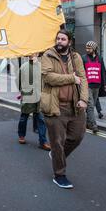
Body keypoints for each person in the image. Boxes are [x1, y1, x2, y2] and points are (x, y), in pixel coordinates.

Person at [41, 30, 89, 189]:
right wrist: (70, 78)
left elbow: (82, 79)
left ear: (69, 42)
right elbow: (48, 77)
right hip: (55, 107)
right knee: (57, 143)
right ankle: (59, 175)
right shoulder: (48, 55)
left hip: (74, 106)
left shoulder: (76, 57)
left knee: (77, 137)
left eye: (63, 39)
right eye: (58, 38)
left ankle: (56, 155)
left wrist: (83, 99)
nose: (59, 41)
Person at [17, 54, 50, 151]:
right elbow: (18, 81)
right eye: (30, 53)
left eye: (34, 53)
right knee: (24, 117)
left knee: (41, 119)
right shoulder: (23, 67)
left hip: (40, 96)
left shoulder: (42, 66)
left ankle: (43, 141)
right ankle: (21, 135)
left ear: (37, 54)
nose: (31, 55)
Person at [82, 41, 106, 134]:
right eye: (86, 48)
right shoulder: (83, 58)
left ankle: (88, 123)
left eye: (89, 48)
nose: (87, 50)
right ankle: (93, 125)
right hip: (87, 85)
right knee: (90, 105)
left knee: (91, 105)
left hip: (97, 85)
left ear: (94, 49)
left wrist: (105, 85)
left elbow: (102, 71)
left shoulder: (100, 58)